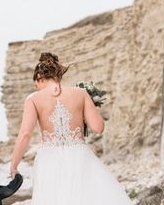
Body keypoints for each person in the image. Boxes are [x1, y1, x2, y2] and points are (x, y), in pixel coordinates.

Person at [9, 52, 132, 204]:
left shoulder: (33, 99)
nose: (37, 88)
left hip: (49, 160)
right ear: (58, 76)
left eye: (36, 85)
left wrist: (14, 166)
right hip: (80, 156)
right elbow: (98, 127)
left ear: (40, 78)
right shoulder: (81, 94)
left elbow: (25, 135)